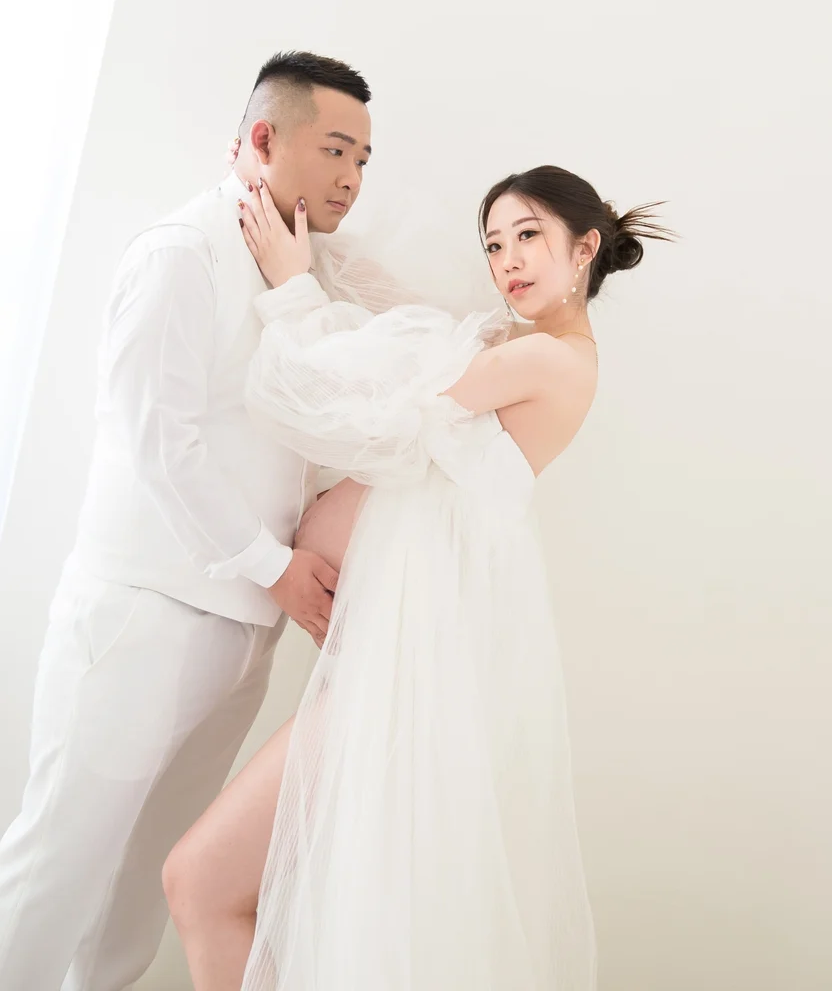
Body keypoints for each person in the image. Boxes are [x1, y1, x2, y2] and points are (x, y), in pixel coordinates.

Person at [163, 164, 673, 990]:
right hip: (384, 663)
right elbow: (393, 320)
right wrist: (310, 232)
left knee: (201, 882)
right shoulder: (500, 343)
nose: (506, 259)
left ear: (584, 248)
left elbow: (375, 402)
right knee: (229, 894)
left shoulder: (552, 362)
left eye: (528, 236)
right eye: (493, 244)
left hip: (403, 676)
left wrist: (292, 293)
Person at [0, 50, 378, 991]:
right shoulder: (180, 251)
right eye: (336, 150)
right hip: (144, 613)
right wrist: (275, 567)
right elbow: (158, 443)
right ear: (263, 139)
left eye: (364, 160)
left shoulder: (308, 268)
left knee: (147, 878)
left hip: (241, 631)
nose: (352, 178)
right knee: (59, 862)